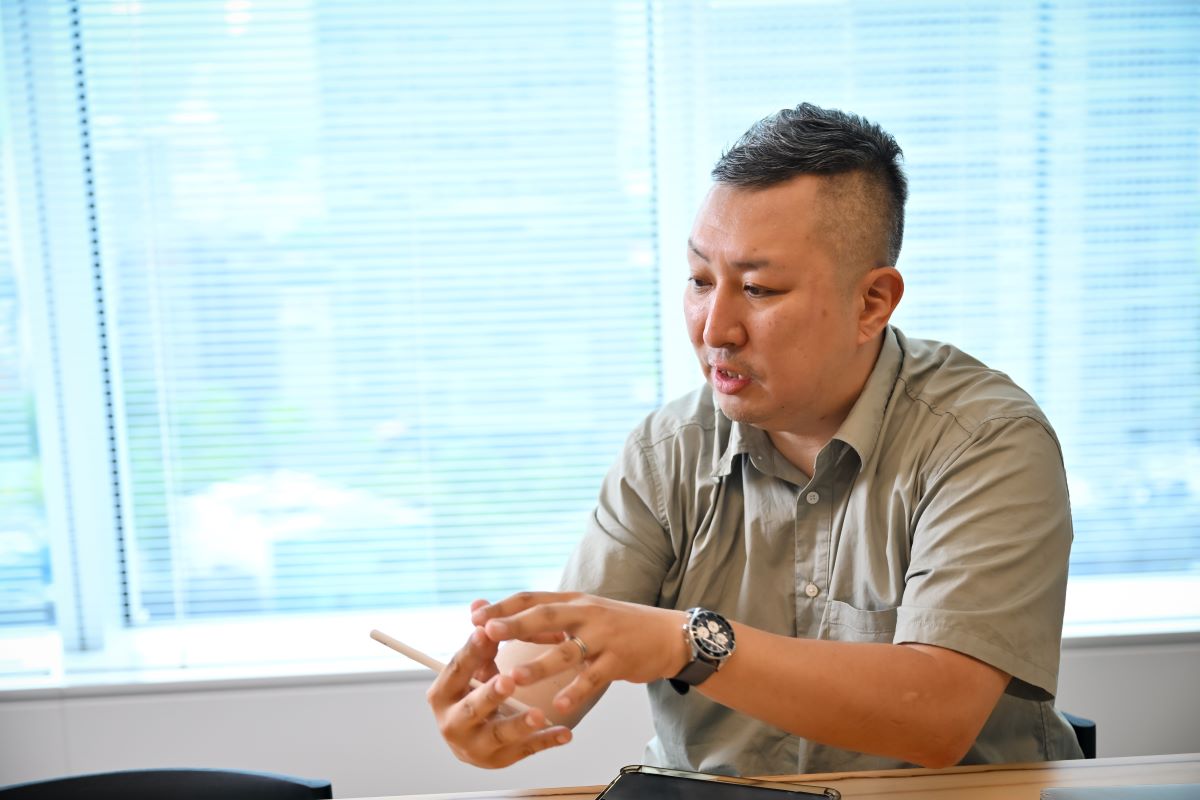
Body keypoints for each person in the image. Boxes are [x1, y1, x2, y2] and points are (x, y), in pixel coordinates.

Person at [426, 102, 1083, 776]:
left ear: (872, 303)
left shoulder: (986, 442)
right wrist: (494, 713)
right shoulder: (667, 451)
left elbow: (937, 717)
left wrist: (691, 643)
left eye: (758, 288)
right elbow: (543, 689)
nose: (715, 329)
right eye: (700, 280)